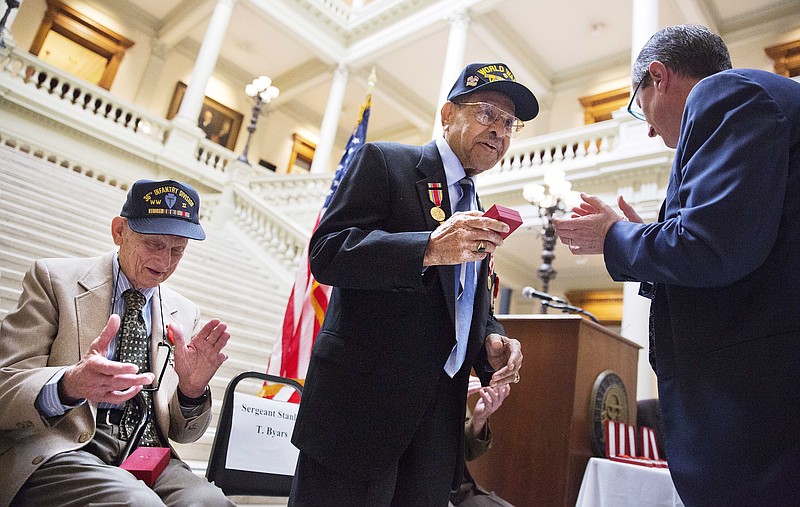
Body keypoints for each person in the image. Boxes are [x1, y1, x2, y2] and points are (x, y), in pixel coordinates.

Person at [553, 24, 800, 506]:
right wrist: (647, 242)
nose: (645, 125)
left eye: (636, 104)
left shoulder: (726, 93)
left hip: (758, 412)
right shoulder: (746, 105)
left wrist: (614, 237)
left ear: (658, 77)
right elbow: (737, 254)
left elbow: (713, 247)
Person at [290, 62, 536, 506]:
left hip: (436, 429)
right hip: (360, 415)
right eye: (486, 113)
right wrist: (426, 248)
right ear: (447, 114)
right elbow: (327, 253)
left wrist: (490, 341)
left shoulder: (477, 206)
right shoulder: (386, 163)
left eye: (509, 123)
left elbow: (457, 305)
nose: (499, 131)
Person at [0, 179, 234, 506]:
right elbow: (5, 387)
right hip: (66, 446)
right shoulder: (54, 280)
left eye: (177, 250)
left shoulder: (186, 312)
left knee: (211, 503)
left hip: (149, 455)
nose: (165, 262)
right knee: (136, 503)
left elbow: (185, 434)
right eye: (154, 244)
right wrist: (68, 384)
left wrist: (191, 392)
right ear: (119, 231)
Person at [449, 377, 513, 507]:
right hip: (411, 482)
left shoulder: (453, 369)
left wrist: (478, 419)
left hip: (455, 488)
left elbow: (467, 448)